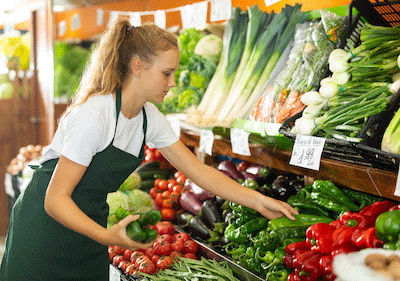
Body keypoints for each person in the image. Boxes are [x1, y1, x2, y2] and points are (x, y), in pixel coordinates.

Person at [0, 19, 298, 281]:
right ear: (138, 67)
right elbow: (55, 200)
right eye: (166, 73)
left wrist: (257, 200)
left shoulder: (149, 118)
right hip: (44, 230)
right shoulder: (94, 115)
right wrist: (105, 236)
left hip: (89, 225)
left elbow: (199, 172)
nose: (172, 83)